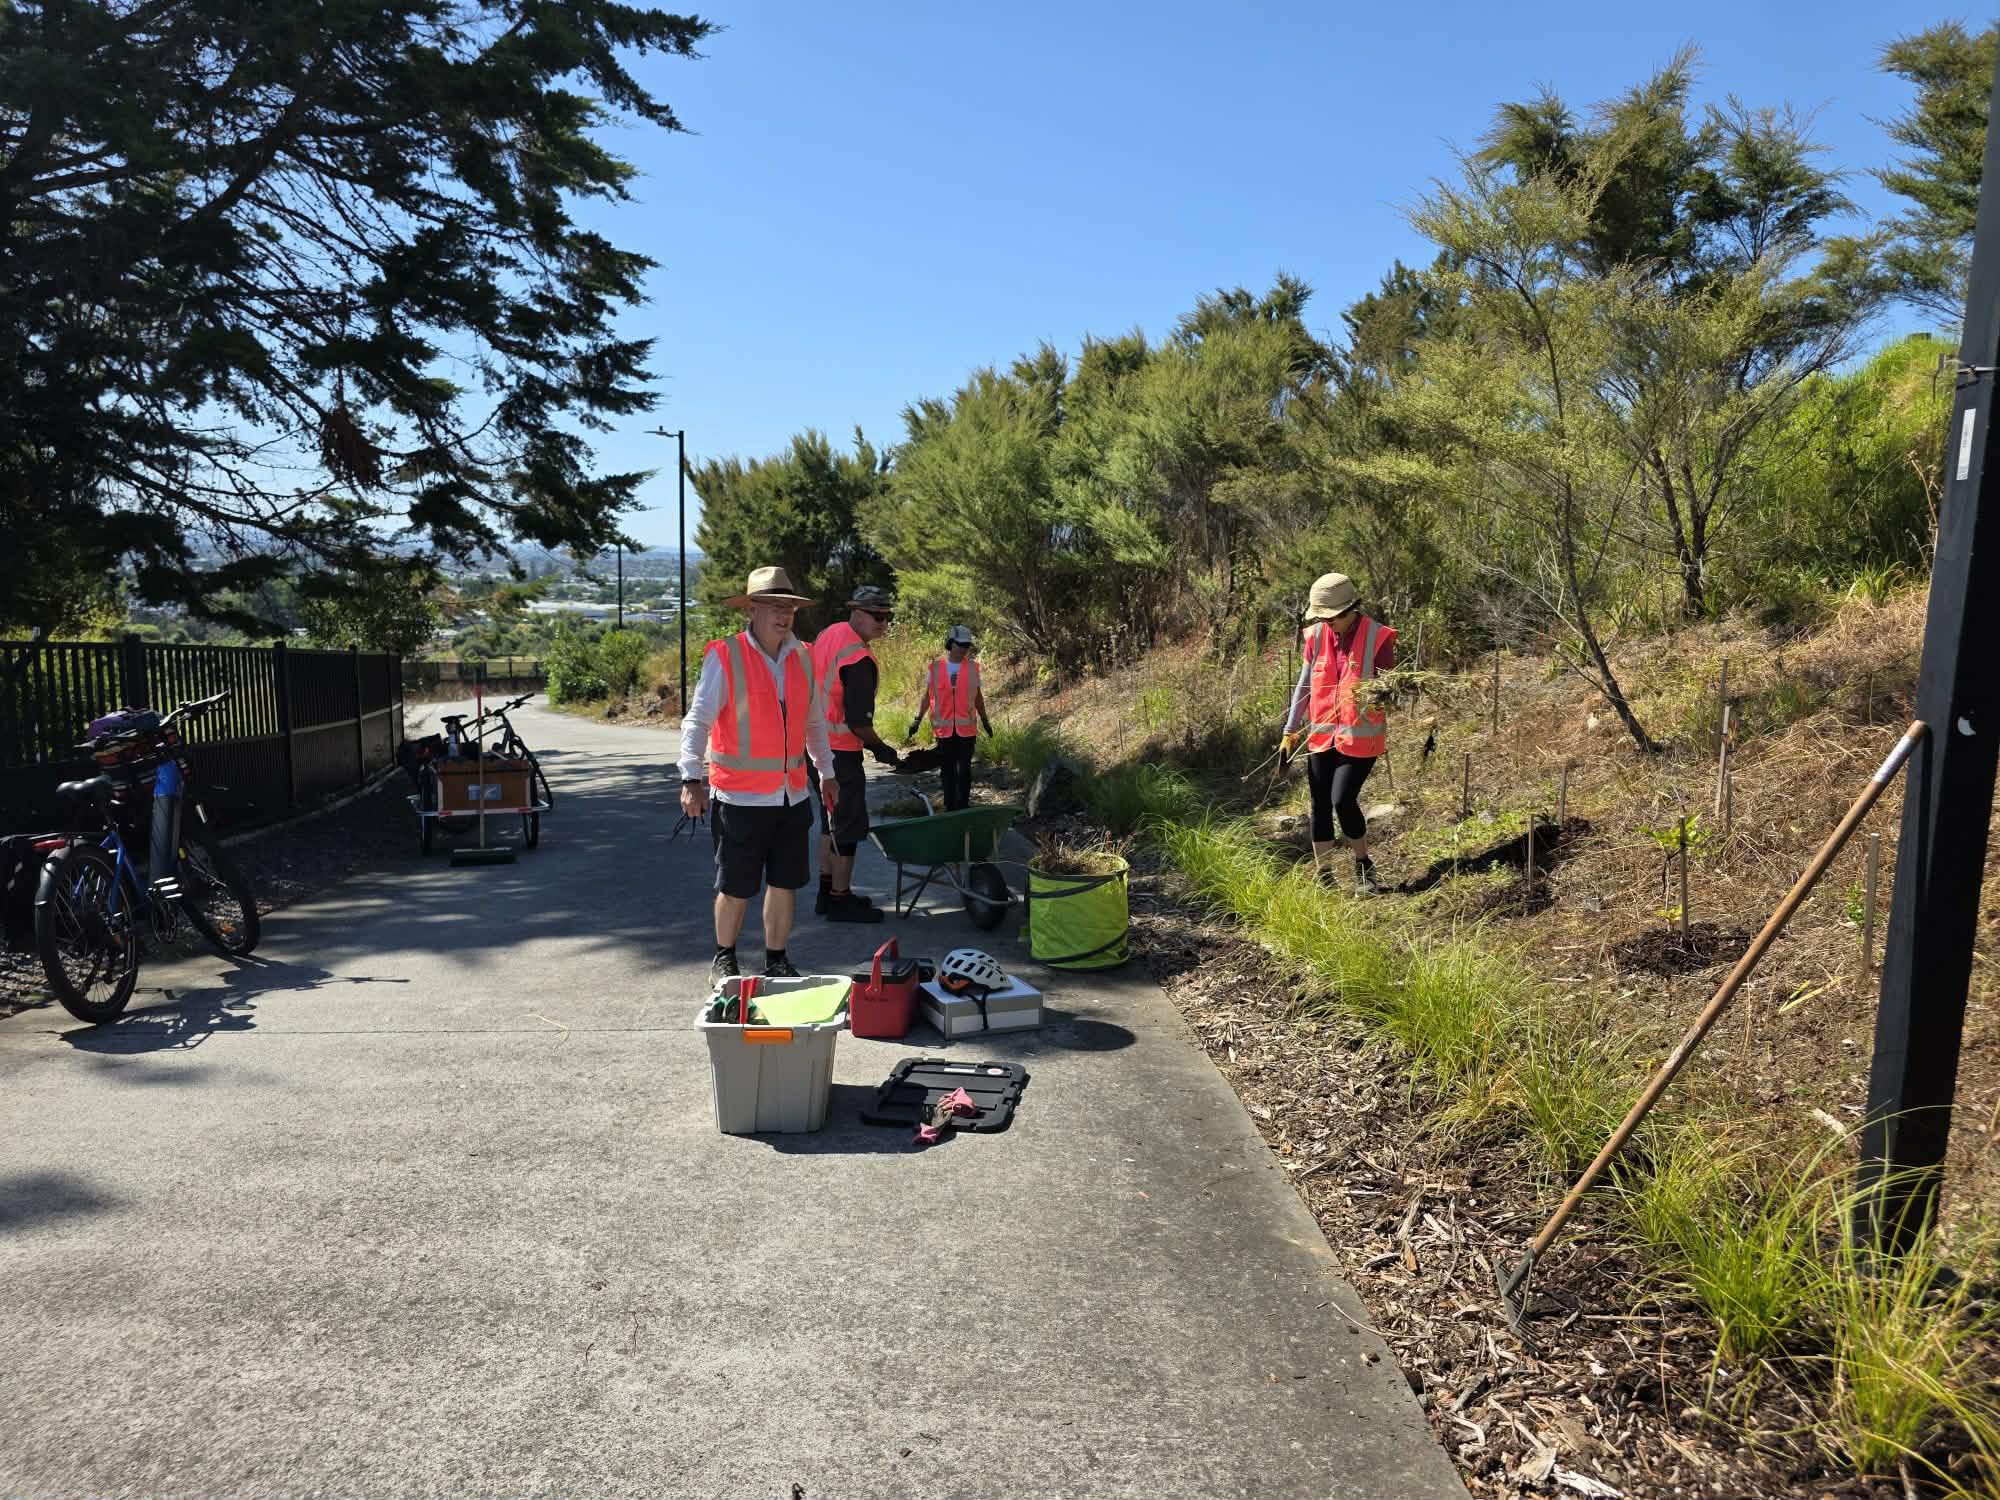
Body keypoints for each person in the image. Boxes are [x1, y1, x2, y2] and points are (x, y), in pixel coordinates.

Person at [678, 566, 840, 987]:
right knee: (734, 887)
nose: (782, 614)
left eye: (788, 606)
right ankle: (724, 957)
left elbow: (815, 723)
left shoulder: (803, 655)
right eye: (772, 606)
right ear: (752, 609)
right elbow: (697, 722)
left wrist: (827, 772)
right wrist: (690, 778)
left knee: (785, 884)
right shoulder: (726, 655)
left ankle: (777, 959)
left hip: (791, 797)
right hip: (739, 799)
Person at [1279, 572, 1396, 894]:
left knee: (1342, 799)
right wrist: (1290, 731)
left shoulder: (1378, 637)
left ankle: (1363, 866)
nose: (1327, 623)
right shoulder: (1316, 636)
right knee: (1319, 803)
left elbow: (1388, 687)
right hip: (1322, 735)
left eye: (1331, 618)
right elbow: (1304, 686)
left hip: (1361, 738)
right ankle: (1325, 875)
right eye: (1322, 617)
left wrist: (1376, 691)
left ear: (1348, 611)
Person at [810, 584, 902, 923]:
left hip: (815, 747)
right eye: (877, 616)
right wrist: (880, 748)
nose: (883, 623)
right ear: (858, 613)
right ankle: (840, 898)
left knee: (828, 822)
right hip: (839, 752)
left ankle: (825, 893)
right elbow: (857, 720)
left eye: (886, 616)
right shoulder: (858, 657)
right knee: (847, 826)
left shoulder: (830, 633)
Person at [908, 624, 992, 811]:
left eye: (966, 645)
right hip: (944, 729)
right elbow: (926, 696)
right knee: (947, 770)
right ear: (950, 643)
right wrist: (917, 719)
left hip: (966, 729)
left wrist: (985, 719)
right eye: (960, 644)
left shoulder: (973, 668)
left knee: (964, 770)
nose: (963, 648)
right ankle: (950, 806)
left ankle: (963, 804)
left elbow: (978, 697)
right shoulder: (936, 668)